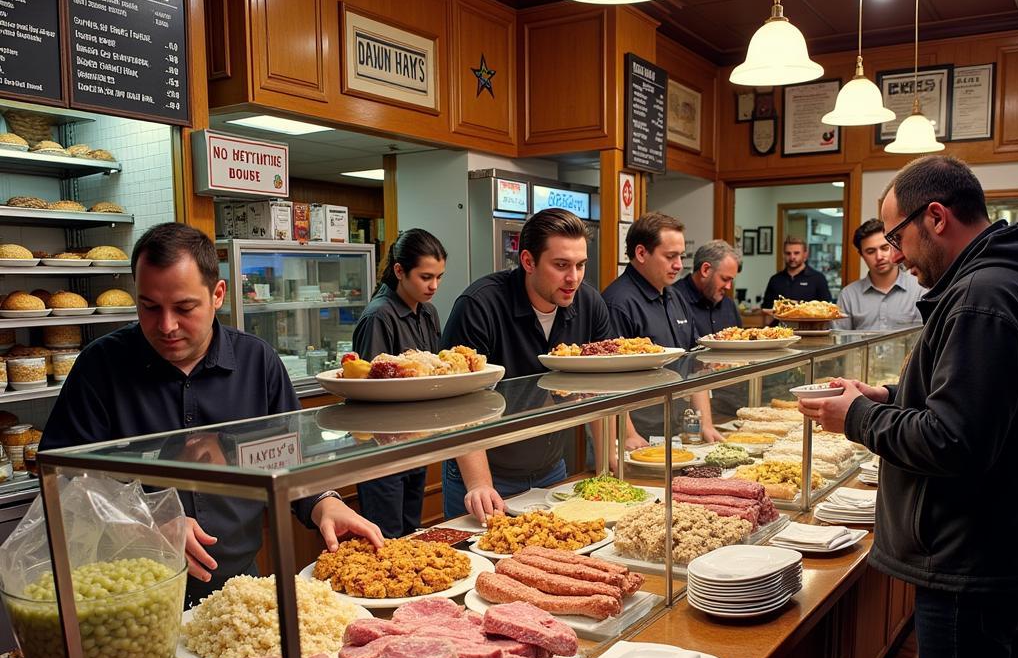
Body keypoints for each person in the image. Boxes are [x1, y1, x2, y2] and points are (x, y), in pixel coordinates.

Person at [798, 156, 1018, 658]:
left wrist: (860, 416)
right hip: (990, 546)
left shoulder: (986, 296)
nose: (893, 252)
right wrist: (888, 403)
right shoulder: (993, 283)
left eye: (894, 233)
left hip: (969, 555)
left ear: (935, 218)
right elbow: (965, 407)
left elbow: (957, 442)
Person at [40, 222, 383, 605]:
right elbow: (66, 480)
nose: (166, 326)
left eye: (184, 308)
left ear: (217, 294)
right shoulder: (100, 367)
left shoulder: (258, 362)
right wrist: (147, 523)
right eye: (149, 307)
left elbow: (290, 457)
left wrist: (325, 502)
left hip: (238, 584)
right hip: (131, 588)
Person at [440, 207, 614, 522]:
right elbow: (458, 401)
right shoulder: (479, 306)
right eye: (561, 265)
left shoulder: (590, 304)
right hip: (486, 474)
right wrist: (480, 484)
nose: (573, 278)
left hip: (551, 469)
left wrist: (608, 464)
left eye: (580, 265)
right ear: (528, 261)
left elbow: (600, 389)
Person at [351, 229, 446, 537]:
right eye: (426, 277)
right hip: (383, 452)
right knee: (388, 538)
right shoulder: (379, 316)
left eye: (439, 277)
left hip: (415, 440)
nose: (434, 286)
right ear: (399, 271)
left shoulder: (428, 312)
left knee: (411, 534)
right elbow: (371, 388)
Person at [602, 213, 719, 443]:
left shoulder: (675, 297)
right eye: (670, 256)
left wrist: (705, 424)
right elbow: (608, 381)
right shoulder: (617, 303)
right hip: (637, 435)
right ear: (641, 253)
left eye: (681, 256)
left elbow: (695, 365)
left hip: (675, 428)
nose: (678, 265)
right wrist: (628, 434)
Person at [833, 218, 925, 330]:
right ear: (862, 255)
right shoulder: (848, 296)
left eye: (885, 248)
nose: (879, 257)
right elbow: (839, 341)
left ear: (895, 246)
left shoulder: (919, 289)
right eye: (870, 251)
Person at [676, 239, 742, 338]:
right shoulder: (672, 301)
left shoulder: (729, 306)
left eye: (731, 281)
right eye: (724, 279)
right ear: (705, 270)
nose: (728, 287)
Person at [762, 236, 831, 311]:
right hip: (779, 322)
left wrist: (799, 306)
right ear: (783, 255)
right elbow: (766, 309)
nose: (792, 257)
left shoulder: (818, 279)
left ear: (805, 254)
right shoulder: (775, 280)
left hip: (808, 322)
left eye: (796, 253)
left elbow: (826, 309)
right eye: (788, 253)